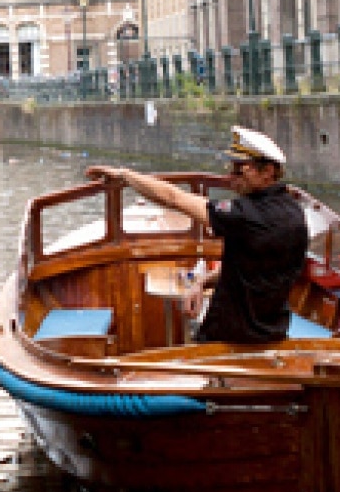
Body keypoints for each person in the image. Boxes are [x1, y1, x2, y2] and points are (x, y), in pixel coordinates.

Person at [86, 126, 308, 345]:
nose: (230, 177)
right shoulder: (293, 211)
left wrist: (124, 175)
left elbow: (174, 198)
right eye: (231, 168)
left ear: (268, 171)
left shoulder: (246, 215)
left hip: (231, 338)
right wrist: (201, 283)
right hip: (272, 333)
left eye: (239, 169)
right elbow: (250, 267)